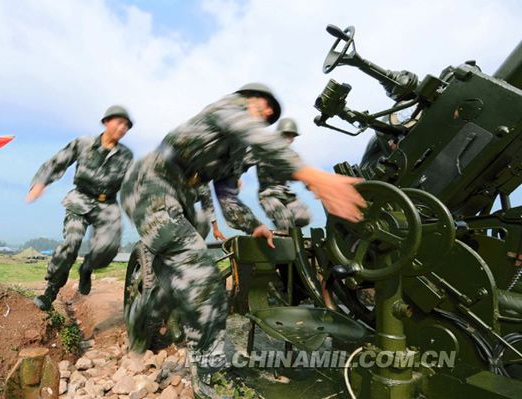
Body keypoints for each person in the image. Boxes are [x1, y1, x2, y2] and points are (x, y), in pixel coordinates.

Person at [121, 82, 365, 398]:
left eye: (271, 116)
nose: (266, 116)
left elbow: (229, 200)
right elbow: (257, 137)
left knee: (177, 280)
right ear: (247, 99)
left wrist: (254, 226)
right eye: (264, 107)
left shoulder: (234, 155)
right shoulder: (227, 109)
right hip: (149, 184)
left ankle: (142, 318)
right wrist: (314, 176)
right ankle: (210, 376)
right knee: (204, 275)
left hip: (177, 195)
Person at [26, 105, 134, 311]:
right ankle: (50, 291)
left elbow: (131, 184)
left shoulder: (126, 156)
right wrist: (41, 182)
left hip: (107, 204)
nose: (122, 128)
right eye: (119, 122)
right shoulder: (84, 143)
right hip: (81, 198)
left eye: (126, 126)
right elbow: (59, 161)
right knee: (72, 242)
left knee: (107, 249)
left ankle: (87, 268)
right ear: (106, 122)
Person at [257, 118, 311, 232]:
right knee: (284, 221)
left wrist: (309, 183)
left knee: (303, 217)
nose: (289, 139)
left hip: (285, 193)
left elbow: (303, 171)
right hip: (268, 193)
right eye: (286, 135)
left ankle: (289, 237)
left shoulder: (293, 155)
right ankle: (283, 237)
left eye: (292, 136)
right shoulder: (266, 149)